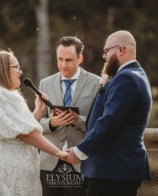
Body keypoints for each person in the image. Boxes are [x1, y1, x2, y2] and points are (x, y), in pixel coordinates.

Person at [0, 50, 68, 196]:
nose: (20, 71)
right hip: (6, 171)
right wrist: (58, 153)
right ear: (3, 70)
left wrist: (38, 110)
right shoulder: (1, 95)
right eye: (16, 67)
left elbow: (15, 128)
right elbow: (27, 134)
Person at [66, 30, 153, 196]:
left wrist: (80, 151)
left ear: (120, 49)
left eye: (106, 51)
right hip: (117, 169)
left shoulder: (126, 78)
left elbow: (109, 121)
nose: (104, 56)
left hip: (114, 170)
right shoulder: (136, 75)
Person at [39, 36, 100, 196]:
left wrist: (79, 121)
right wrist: (50, 123)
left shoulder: (97, 83)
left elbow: (101, 123)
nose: (63, 65)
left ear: (80, 58)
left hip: (81, 161)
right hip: (49, 162)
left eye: (69, 60)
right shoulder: (45, 83)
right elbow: (37, 121)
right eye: (60, 59)